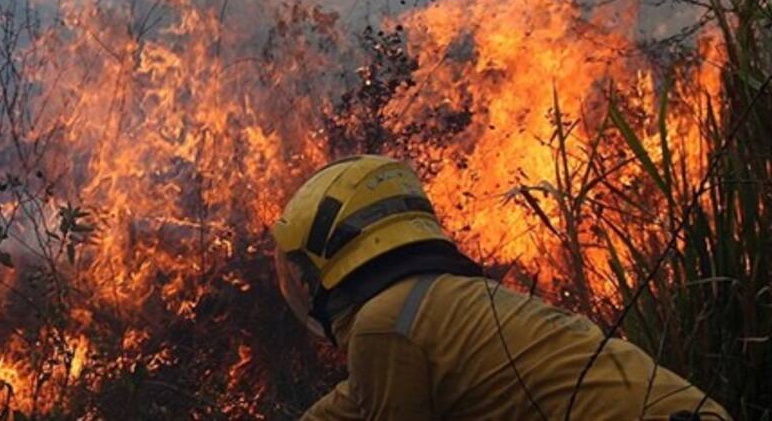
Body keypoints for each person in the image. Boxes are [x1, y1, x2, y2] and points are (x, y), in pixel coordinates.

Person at [272, 155, 731, 420]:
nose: (309, 291)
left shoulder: (384, 324)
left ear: (331, 256)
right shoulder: (444, 304)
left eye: (304, 275)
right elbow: (355, 404)